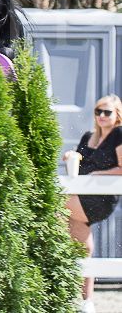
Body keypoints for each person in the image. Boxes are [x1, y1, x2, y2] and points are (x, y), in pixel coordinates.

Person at [64, 94, 122, 313]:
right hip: (80, 195)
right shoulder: (88, 136)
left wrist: (99, 174)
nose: (102, 116)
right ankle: (87, 302)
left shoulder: (118, 135)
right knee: (84, 249)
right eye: (98, 111)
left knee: (52, 205)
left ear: (117, 115)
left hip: (100, 198)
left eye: (107, 112)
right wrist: (71, 155)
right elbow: (78, 162)